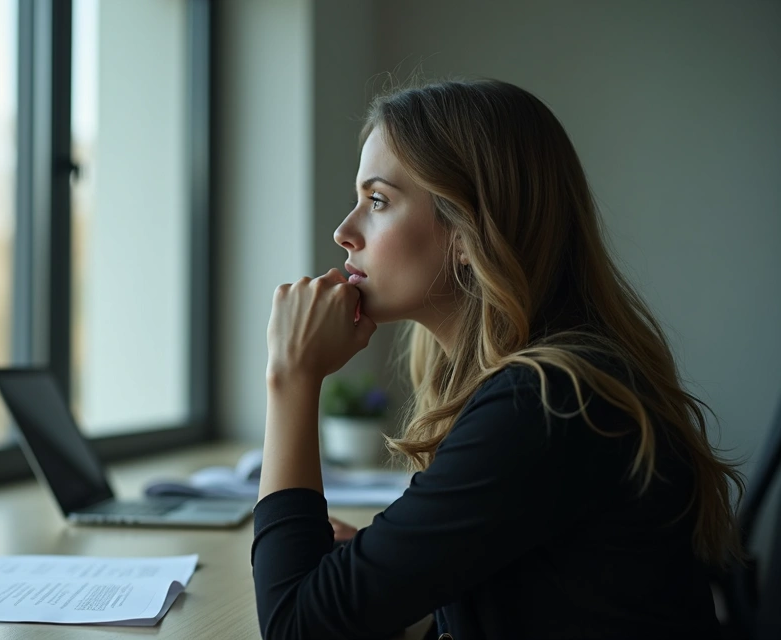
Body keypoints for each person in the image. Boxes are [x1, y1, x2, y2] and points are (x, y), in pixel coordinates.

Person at [253, 79, 743, 640]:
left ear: (467, 232)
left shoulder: (546, 403)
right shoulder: (551, 383)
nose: (344, 232)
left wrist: (291, 376)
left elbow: (295, 629)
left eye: (379, 200)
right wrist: (386, 564)